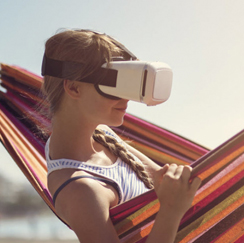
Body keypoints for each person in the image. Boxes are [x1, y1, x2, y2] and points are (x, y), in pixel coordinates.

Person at [41, 29, 201, 243]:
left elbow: (163, 181)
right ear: (73, 87)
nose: (127, 100)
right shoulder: (81, 191)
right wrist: (171, 212)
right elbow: (169, 198)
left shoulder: (102, 135)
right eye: (112, 84)